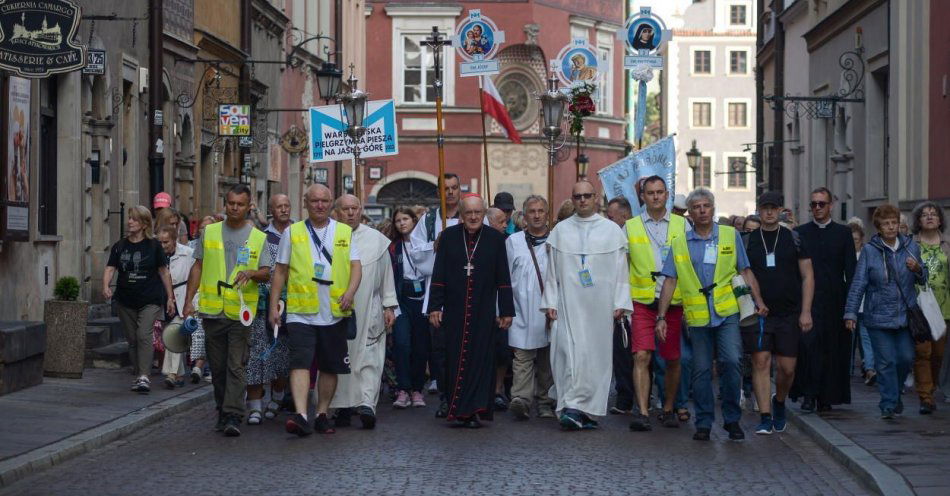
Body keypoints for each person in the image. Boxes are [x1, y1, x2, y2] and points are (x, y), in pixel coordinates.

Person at [655, 188, 768, 441]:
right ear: (691, 213)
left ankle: (732, 419)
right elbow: (670, 280)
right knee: (701, 370)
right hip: (697, 316)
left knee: (731, 361)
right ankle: (704, 422)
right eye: (697, 207)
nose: (702, 211)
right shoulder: (680, 242)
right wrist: (661, 317)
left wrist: (758, 300)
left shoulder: (730, 235)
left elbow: (746, 270)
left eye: (706, 206)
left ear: (713, 209)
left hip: (727, 311)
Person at [268, 184, 361, 436]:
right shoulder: (293, 232)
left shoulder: (344, 231)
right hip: (301, 310)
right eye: (315, 201)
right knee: (300, 362)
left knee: (330, 366)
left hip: (333, 310)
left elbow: (355, 266)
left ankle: (321, 413)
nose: (320, 205)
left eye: (325, 201)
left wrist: (350, 293)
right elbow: (280, 270)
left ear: (331, 203)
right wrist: (273, 304)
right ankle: (301, 415)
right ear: (306, 203)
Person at [541, 181, 632, 430]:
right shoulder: (560, 231)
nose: (582, 200)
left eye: (587, 196)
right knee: (566, 353)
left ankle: (586, 410)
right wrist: (550, 301)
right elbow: (551, 272)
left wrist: (620, 302)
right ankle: (571, 405)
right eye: (577, 196)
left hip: (600, 306)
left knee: (596, 358)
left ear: (595, 199)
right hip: (568, 303)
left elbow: (621, 271)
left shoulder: (612, 232)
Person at [183, 184, 272, 437]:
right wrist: (189, 301)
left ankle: (233, 414)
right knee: (219, 367)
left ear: (248, 206)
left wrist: (253, 273)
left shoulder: (258, 237)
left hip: (240, 313)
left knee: (236, 365)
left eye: (240, 204)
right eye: (231, 203)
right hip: (212, 310)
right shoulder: (209, 232)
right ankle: (223, 409)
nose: (235, 208)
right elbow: (198, 267)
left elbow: (267, 272)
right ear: (225, 203)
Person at [427, 194, 515, 428]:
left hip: (483, 309)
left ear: (484, 213)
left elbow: (503, 277)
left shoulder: (495, 239)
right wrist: (435, 306)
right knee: (454, 359)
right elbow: (439, 274)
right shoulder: (448, 237)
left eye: (478, 212)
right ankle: (457, 408)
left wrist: (507, 309)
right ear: (462, 215)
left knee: (481, 360)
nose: (474, 217)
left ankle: (475, 409)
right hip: (455, 310)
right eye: (469, 213)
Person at [845, 204, 927, 419]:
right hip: (878, 316)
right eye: (886, 224)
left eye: (894, 223)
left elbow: (923, 278)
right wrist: (851, 313)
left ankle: (895, 394)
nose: (891, 227)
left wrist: (918, 269)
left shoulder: (910, 247)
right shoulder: (871, 251)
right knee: (885, 361)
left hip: (904, 314)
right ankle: (888, 403)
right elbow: (858, 284)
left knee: (906, 358)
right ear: (879, 227)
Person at [743, 192, 814, 435]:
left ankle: (779, 401)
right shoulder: (749, 240)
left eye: (773, 208)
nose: (769, 212)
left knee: (787, 369)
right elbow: (744, 272)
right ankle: (764, 416)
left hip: (789, 313)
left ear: (780, 210)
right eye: (765, 208)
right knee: (760, 362)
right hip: (760, 314)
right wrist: (757, 299)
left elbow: (807, 275)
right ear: (759, 211)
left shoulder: (794, 238)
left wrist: (806, 311)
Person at [625, 177, 690, 431]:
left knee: (673, 358)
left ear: (667, 195)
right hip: (641, 300)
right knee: (641, 355)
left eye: (659, 192)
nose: (655, 197)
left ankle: (668, 407)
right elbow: (624, 265)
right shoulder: (630, 226)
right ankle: (642, 411)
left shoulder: (682, 225)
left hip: (673, 301)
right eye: (650, 193)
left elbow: (687, 264)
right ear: (642, 196)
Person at [330, 195, 397, 429]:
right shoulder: (329, 236)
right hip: (338, 310)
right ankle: (343, 406)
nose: (350, 213)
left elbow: (386, 275)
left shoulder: (377, 240)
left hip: (370, 307)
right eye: (345, 209)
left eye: (355, 208)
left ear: (361, 210)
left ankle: (367, 403)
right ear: (336, 212)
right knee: (342, 358)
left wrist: (390, 305)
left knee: (370, 357)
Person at [792, 187, 856, 412]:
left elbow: (852, 271)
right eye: (813, 204)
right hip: (807, 300)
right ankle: (809, 394)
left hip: (835, 300)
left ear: (831, 205)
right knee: (808, 347)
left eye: (821, 204)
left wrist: (851, 308)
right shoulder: (800, 232)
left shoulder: (843, 233)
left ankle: (826, 396)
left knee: (832, 349)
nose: (817, 208)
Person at [103, 206, 175, 394]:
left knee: (144, 335)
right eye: (129, 218)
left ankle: (144, 375)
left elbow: (164, 272)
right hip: (125, 299)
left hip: (150, 298)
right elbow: (110, 268)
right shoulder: (120, 246)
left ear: (144, 224)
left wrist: (170, 298)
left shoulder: (154, 246)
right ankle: (139, 373)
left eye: (134, 219)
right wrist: (105, 286)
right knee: (132, 339)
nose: (129, 222)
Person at [410, 173, 463, 416]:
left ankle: (464, 395)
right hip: (439, 295)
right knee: (440, 351)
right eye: (446, 189)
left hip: (465, 292)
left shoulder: (470, 215)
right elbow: (415, 250)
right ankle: (445, 396)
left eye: (454, 188)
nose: (450, 193)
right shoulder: (430, 220)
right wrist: (435, 247)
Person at [505, 195, 555, 420]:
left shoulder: (557, 240)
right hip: (522, 308)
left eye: (540, 211)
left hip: (549, 308)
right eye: (531, 211)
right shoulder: (513, 242)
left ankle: (545, 400)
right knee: (522, 357)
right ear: (524, 216)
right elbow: (505, 277)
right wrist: (504, 309)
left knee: (547, 358)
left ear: (547, 214)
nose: (536, 215)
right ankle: (521, 399)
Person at [244, 194, 293, 425]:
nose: (283, 210)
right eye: (279, 206)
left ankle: (278, 396)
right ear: (271, 210)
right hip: (259, 304)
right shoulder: (261, 237)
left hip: (288, 304)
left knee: (280, 355)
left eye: (286, 206)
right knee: (256, 354)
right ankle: (255, 406)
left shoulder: (299, 234)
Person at [389, 207, 430, 408]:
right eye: (398, 220)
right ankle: (403, 388)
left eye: (406, 219)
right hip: (401, 297)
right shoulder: (393, 247)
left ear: (414, 221)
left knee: (421, 346)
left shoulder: (424, 244)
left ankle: (417, 389)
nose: (402, 223)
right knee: (402, 343)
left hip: (423, 296)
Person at [911, 201, 949, 414]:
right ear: (918, 221)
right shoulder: (911, 245)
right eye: (924, 214)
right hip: (919, 307)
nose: (929, 217)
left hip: (944, 307)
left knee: (938, 354)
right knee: (922, 352)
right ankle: (925, 396)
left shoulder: (948, 245)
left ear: (940, 220)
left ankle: (931, 387)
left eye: (933, 214)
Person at [605, 196, 635, 415]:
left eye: (611, 217)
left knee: (631, 354)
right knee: (623, 354)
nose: (608, 221)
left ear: (624, 216)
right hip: (620, 303)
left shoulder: (632, 235)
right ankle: (625, 396)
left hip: (636, 301)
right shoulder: (611, 237)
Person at [158, 225, 195, 389]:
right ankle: (179, 374)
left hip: (183, 297)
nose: (163, 245)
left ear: (174, 240)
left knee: (174, 334)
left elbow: (196, 277)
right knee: (170, 333)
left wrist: (193, 302)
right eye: (160, 242)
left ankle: (171, 374)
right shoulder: (157, 255)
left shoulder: (188, 253)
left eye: (166, 242)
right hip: (163, 298)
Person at [486, 206, 513, 411]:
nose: (505, 225)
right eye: (501, 221)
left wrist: (504, 310)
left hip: (500, 305)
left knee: (502, 352)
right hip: (483, 307)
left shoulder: (507, 243)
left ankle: (497, 389)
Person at [849, 221, 876, 386]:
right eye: (851, 239)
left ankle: (870, 369)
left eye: (856, 239)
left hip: (866, 305)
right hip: (850, 307)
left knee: (866, 339)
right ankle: (847, 369)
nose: (854, 243)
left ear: (861, 240)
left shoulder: (866, 256)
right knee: (849, 340)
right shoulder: (844, 256)